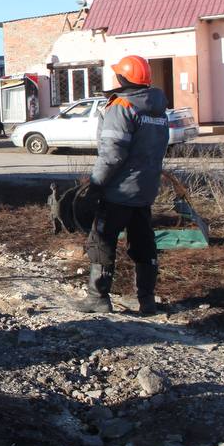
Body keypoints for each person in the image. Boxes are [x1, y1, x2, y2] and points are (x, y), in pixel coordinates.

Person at [73, 55, 170, 316]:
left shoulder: (123, 106)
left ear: (123, 78)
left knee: (102, 240)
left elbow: (112, 154)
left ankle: (98, 298)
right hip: (145, 190)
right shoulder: (158, 110)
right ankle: (146, 301)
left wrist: (95, 184)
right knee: (143, 244)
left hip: (118, 191)